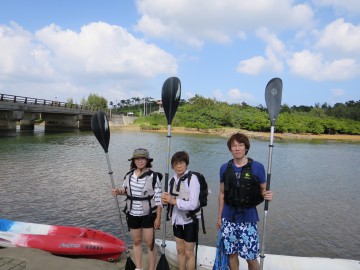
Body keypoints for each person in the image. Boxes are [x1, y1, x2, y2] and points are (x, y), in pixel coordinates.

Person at [217, 133, 273, 270]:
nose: (237, 148)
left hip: (248, 218)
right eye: (234, 146)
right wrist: (219, 217)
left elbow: (263, 190)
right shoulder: (224, 168)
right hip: (228, 218)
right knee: (231, 254)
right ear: (230, 149)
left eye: (240, 145)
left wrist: (268, 195)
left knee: (251, 257)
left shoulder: (257, 167)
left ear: (246, 148)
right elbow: (222, 193)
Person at [112, 148, 162, 270]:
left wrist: (158, 218)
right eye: (137, 159)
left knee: (150, 243)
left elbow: (159, 199)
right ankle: (138, 267)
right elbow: (126, 190)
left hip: (149, 214)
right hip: (132, 213)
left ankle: (151, 268)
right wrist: (118, 191)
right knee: (136, 241)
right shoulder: (129, 175)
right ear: (133, 160)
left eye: (143, 158)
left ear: (147, 160)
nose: (140, 161)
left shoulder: (154, 176)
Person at [161, 151, 201, 270]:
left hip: (190, 221)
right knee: (180, 249)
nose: (178, 166)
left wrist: (174, 201)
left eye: (181, 163)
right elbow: (166, 199)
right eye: (176, 163)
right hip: (177, 220)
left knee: (189, 253)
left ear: (186, 164)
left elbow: (193, 204)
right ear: (173, 165)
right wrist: (163, 200)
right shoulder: (172, 180)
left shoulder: (193, 179)